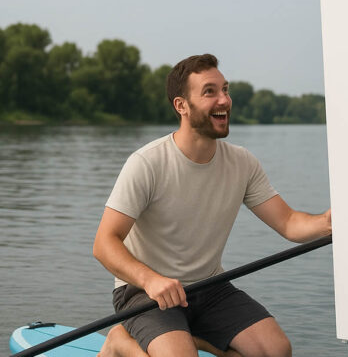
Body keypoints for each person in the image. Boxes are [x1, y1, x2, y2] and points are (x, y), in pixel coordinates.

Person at [93, 53, 331, 357]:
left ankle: (195, 341)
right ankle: (120, 342)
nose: (224, 100)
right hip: (144, 292)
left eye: (225, 90)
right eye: (210, 92)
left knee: (276, 351)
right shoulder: (147, 163)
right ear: (181, 105)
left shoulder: (242, 162)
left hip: (210, 287)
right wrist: (150, 280)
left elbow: (288, 223)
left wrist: (328, 221)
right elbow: (103, 243)